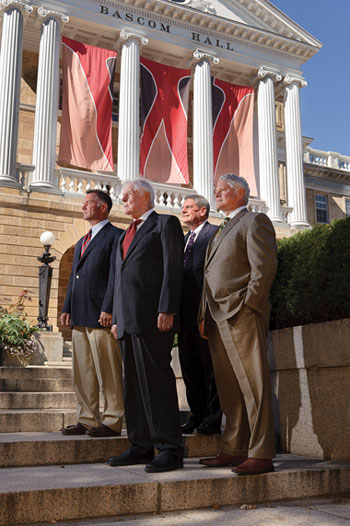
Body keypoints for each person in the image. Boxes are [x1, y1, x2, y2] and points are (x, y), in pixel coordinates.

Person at [198, 174, 278, 475]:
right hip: (216, 317)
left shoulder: (254, 221)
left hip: (241, 314)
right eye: (216, 189)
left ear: (241, 193)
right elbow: (209, 276)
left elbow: (264, 267)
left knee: (253, 385)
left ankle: (261, 453)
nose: (216, 193)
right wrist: (203, 315)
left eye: (223, 190)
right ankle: (233, 448)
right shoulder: (221, 229)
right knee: (229, 389)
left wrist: (249, 306)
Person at [107, 179, 184, 473]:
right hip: (126, 321)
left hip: (154, 318)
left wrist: (167, 308)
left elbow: (173, 268)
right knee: (132, 387)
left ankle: (170, 449)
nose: (122, 199)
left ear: (144, 197)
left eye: (127, 195)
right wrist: (115, 318)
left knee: (156, 383)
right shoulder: (124, 233)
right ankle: (140, 445)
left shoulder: (165, 224)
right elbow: (118, 279)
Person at [60, 190, 124, 437]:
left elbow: (115, 276)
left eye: (88, 203)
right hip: (79, 315)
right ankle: (86, 418)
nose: (83, 207)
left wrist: (108, 307)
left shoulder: (116, 236)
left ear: (103, 207)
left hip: (101, 315)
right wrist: (67, 308)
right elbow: (74, 277)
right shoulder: (83, 240)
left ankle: (112, 420)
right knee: (83, 371)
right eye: (83, 203)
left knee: (108, 371)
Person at [179, 195, 222, 436]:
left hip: (205, 312)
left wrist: (208, 312)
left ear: (203, 211)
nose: (183, 211)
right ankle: (196, 415)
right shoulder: (184, 240)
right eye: (183, 207)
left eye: (188, 207)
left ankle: (212, 419)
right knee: (189, 368)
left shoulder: (215, 234)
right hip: (184, 315)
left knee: (210, 368)